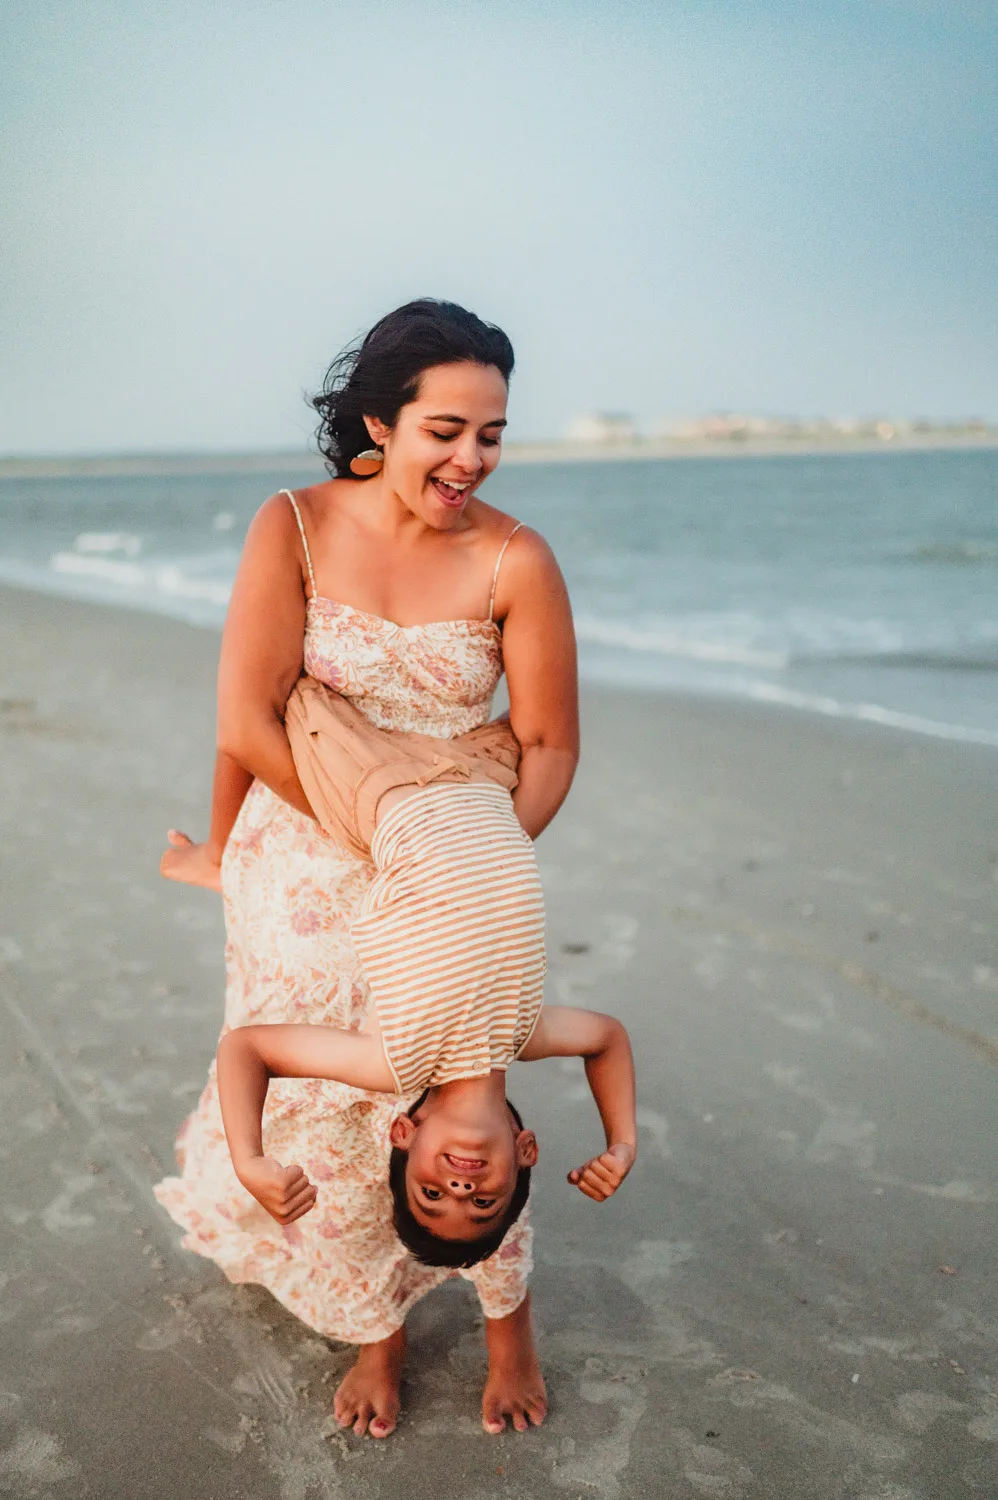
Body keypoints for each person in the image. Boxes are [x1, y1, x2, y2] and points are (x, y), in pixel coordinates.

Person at [155, 299, 584, 1437]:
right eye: (445, 429)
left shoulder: (514, 557)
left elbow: (546, 746)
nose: (469, 458)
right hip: (305, 862)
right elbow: (248, 722)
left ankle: (507, 1322)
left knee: (466, 1105)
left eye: (490, 434)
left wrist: (466, 865)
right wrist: (365, 841)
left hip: (447, 877)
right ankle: (374, 1333)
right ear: (379, 423)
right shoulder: (291, 525)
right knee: (328, 1121)